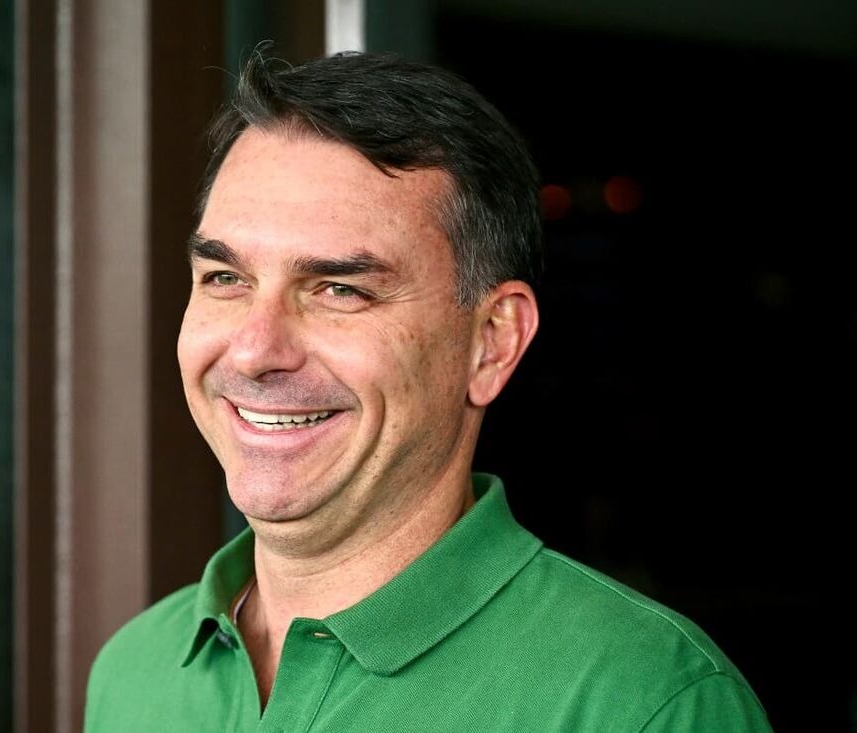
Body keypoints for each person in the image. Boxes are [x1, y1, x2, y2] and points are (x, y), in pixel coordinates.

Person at [85, 50, 771, 732]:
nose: (254, 349)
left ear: (492, 341)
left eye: (339, 289)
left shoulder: (644, 702)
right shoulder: (135, 668)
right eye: (226, 278)